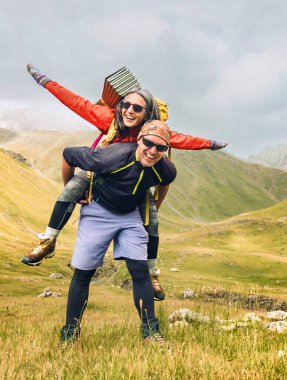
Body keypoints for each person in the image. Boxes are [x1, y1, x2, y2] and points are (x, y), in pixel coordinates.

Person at [22, 64, 227, 301]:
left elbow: (183, 140)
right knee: (72, 187)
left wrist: (210, 144)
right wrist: (44, 80)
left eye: (137, 108)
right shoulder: (109, 118)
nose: (129, 111)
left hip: (136, 184)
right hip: (103, 175)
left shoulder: (152, 132)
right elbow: (75, 102)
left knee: (152, 219)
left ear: (147, 113)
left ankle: (151, 274)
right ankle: (47, 241)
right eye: (125, 105)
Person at [60, 120, 176, 343]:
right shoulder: (109, 156)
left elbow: (164, 183)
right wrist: (73, 191)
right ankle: (69, 334)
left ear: (165, 150)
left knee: (140, 272)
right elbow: (68, 154)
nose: (153, 151)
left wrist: (156, 208)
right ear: (139, 139)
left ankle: (151, 333)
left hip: (130, 216)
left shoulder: (166, 169)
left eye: (160, 148)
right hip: (99, 211)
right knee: (83, 273)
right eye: (149, 143)